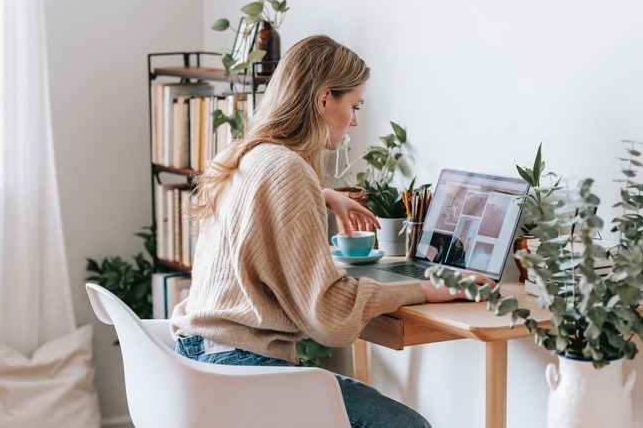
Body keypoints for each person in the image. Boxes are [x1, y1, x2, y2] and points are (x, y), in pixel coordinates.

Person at [170, 35, 494, 428]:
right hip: (242, 367)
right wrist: (426, 289)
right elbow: (329, 315)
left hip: (200, 357)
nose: (355, 120)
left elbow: (259, 200)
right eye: (353, 105)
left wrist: (324, 195)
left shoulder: (240, 154)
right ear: (325, 100)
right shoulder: (288, 170)